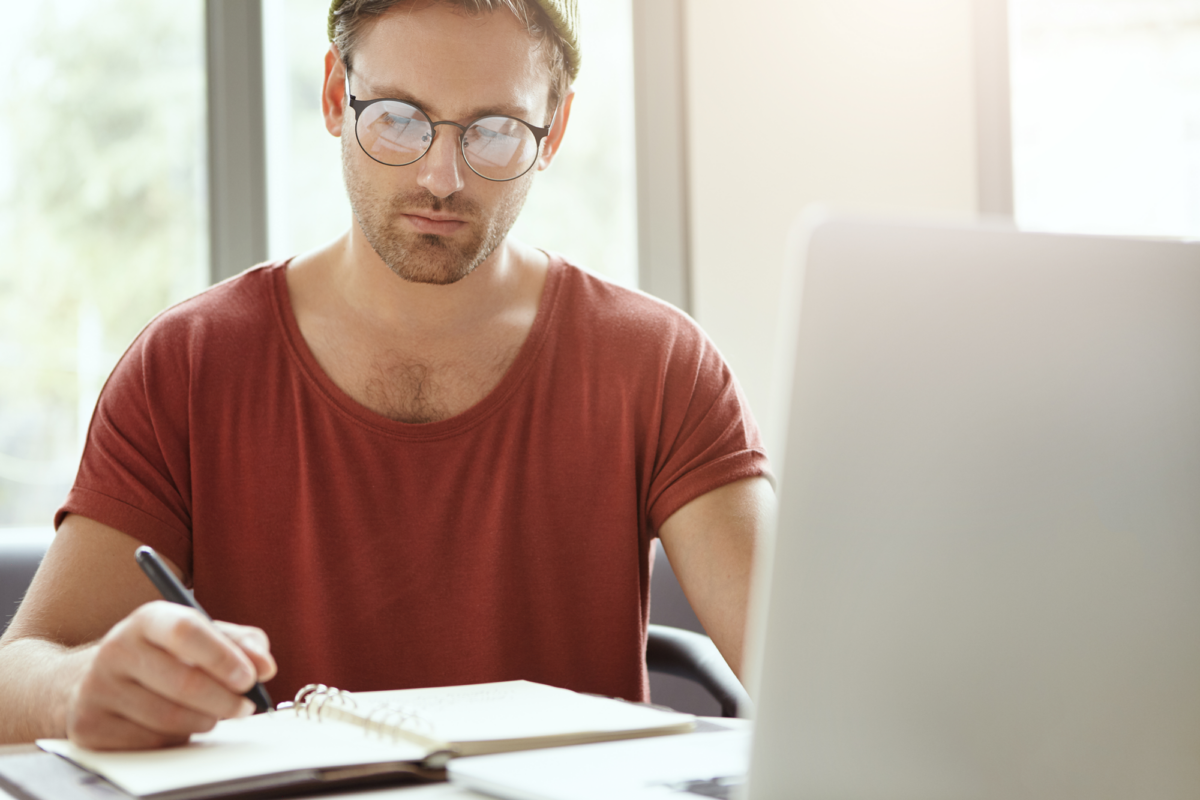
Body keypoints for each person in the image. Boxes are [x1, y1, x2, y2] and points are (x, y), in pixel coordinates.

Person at [0, 0, 772, 750]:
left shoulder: (659, 364)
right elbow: (17, 673)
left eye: (495, 131)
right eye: (398, 118)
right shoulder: (189, 362)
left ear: (556, 128)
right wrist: (78, 688)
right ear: (338, 95)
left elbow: (798, 659)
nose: (441, 178)